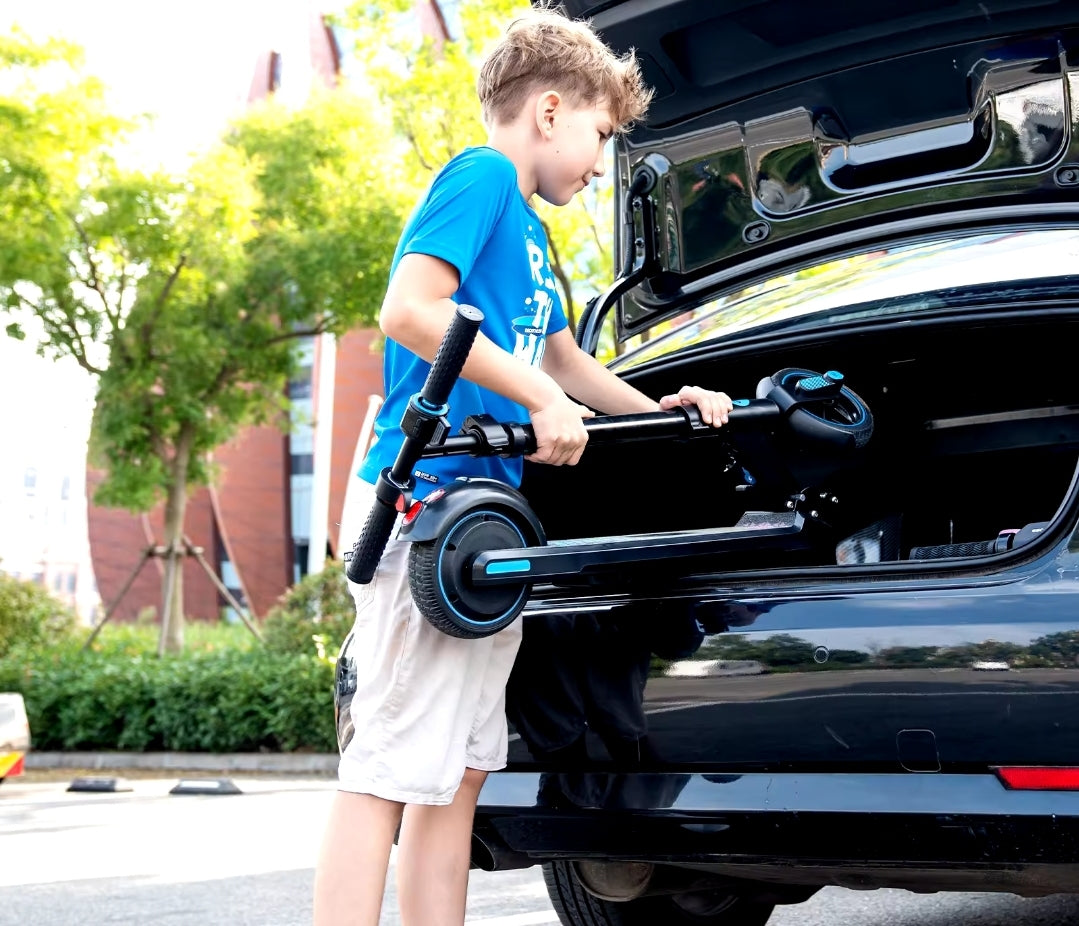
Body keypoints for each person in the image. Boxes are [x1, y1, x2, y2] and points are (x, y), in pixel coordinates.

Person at [312, 6, 734, 925]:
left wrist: (657, 410)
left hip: (487, 536)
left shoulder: (534, 239)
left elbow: (559, 363)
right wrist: (544, 404)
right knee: (383, 772)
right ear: (548, 111)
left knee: (459, 775)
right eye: (599, 134)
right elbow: (413, 310)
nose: (599, 159)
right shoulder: (480, 180)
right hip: (426, 510)